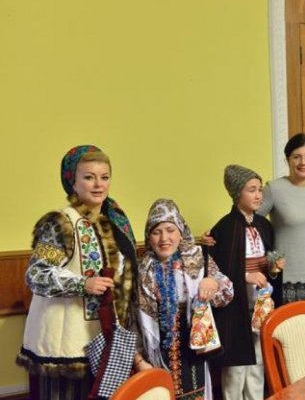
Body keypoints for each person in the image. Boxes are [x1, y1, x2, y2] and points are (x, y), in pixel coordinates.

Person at [16, 145, 145, 400]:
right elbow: (36, 274)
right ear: (72, 183)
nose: (98, 184)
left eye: (104, 177)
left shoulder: (115, 223)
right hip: (63, 347)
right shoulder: (60, 223)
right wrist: (82, 284)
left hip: (104, 340)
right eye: (88, 177)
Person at [137, 199, 233, 400]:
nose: (164, 238)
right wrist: (139, 361)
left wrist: (213, 283)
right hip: (155, 356)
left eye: (170, 230)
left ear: (181, 232)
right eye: (156, 232)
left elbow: (227, 293)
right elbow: (130, 321)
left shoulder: (198, 259)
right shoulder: (141, 270)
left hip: (193, 352)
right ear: (148, 236)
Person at [208, 165, 282, 400]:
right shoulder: (225, 228)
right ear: (237, 193)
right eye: (252, 190)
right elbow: (218, 268)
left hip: (261, 302)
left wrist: (273, 267)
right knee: (236, 363)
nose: (258, 195)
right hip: (237, 305)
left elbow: (269, 256)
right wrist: (245, 276)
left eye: (260, 189)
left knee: (259, 357)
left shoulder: (263, 225)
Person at [258, 134, 305, 305]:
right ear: (287, 160)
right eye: (296, 157)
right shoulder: (273, 189)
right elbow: (250, 222)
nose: (303, 162)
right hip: (286, 279)